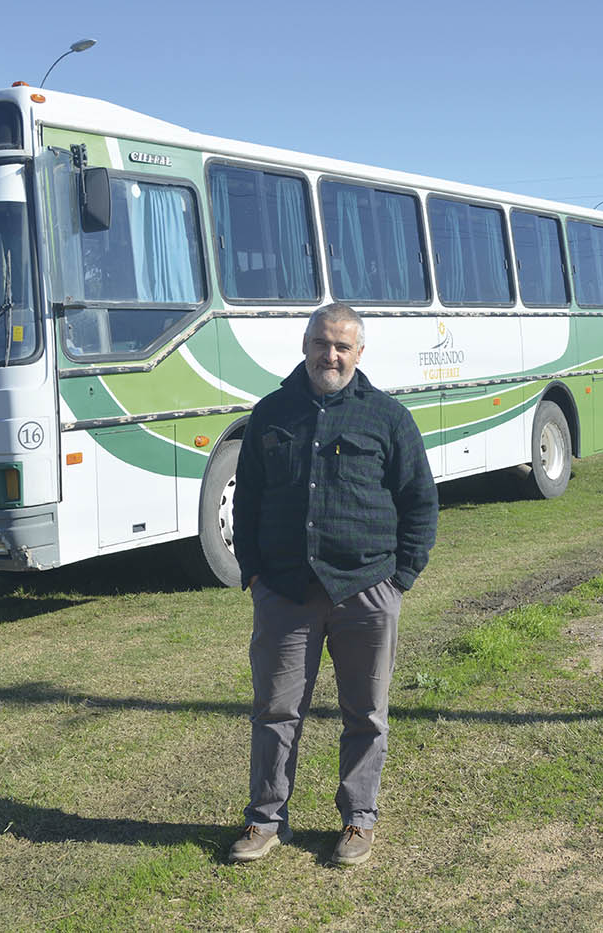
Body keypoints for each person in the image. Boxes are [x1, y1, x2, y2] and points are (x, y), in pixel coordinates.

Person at [226, 302, 438, 867]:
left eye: (343, 346)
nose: (331, 355)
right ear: (305, 345)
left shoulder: (387, 417)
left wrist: (402, 578)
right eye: (322, 343)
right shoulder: (271, 414)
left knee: (365, 713)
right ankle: (266, 819)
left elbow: (420, 500)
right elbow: (244, 500)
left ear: (360, 353)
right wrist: (253, 571)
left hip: (367, 589)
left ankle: (357, 821)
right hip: (285, 591)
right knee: (275, 709)